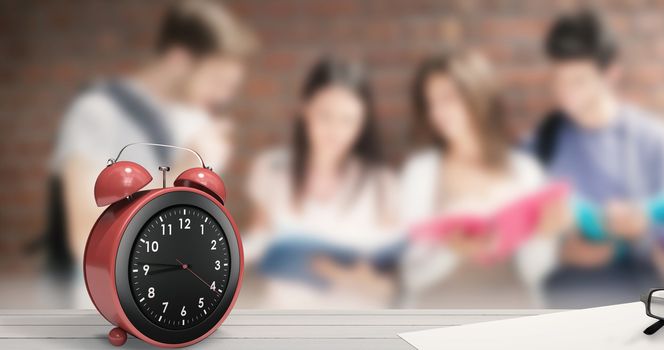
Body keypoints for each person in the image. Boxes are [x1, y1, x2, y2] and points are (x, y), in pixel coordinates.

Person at [48, 0, 255, 307]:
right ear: (179, 60)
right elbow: (83, 233)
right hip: (108, 301)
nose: (224, 96)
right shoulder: (97, 113)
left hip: (183, 300)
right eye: (217, 81)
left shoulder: (198, 122)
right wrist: (180, 170)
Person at [533, 10, 664, 307]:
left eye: (578, 81)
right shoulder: (542, 142)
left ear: (611, 72)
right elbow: (522, 243)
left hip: (642, 303)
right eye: (559, 80)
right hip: (565, 300)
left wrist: (639, 232)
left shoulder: (655, 140)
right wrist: (556, 251)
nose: (566, 94)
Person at [400, 50, 561, 308]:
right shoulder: (421, 172)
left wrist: (543, 234)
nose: (438, 112)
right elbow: (409, 275)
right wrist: (451, 251)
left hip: (512, 320)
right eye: (431, 103)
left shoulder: (524, 170)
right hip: (438, 323)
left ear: (477, 95)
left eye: (448, 98)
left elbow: (537, 272)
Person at [245, 57, 402, 309]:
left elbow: (391, 285)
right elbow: (258, 242)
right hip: (284, 321)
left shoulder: (380, 183)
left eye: (347, 120)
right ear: (305, 110)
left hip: (351, 326)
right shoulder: (272, 169)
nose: (334, 130)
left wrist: (346, 276)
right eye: (325, 116)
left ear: (362, 122)